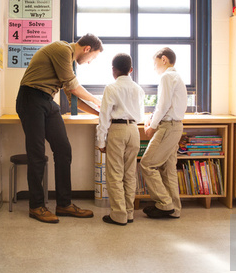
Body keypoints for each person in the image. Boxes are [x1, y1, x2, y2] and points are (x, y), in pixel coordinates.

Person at [16, 33, 103, 223]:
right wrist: (97, 99)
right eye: (93, 57)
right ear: (87, 49)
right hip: (31, 98)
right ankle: (36, 206)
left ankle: (64, 204)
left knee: (63, 150)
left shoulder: (67, 62)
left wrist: (99, 113)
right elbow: (73, 88)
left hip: (47, 101)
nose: (89, 62)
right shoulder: (62, 49)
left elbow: (73, 99)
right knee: (37, 153)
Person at [96, 53, 145, 226]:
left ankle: (118, 214)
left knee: (115, 174)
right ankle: (129, 213)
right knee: (130, 173)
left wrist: (101, 141)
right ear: (131, 70)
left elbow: (104, 117)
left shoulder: (111, 88)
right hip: (134, 130)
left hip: (117, 130)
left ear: (113, 70)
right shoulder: (138, 89)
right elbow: (140, 113)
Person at [139, 47, 188, 219]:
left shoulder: (167, 76)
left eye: (155, 63)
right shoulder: (177, 77)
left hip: (168, 127)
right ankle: (174, 208)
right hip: (175, 126)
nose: (154, 67)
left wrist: (152, 125)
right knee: (168, 169)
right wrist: (152, 118)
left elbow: (163, 104)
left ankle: (165, 204)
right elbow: (167, 104)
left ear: (164, 59)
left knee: (147, 164)